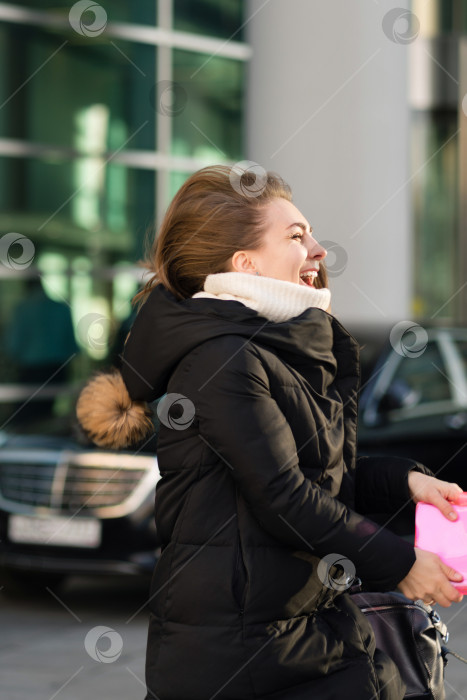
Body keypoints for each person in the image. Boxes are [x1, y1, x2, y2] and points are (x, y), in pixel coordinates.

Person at [76, 165, 464, 700]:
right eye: (297, 236)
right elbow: (283, 495)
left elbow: (324, 477)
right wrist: (400, 564)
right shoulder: (223, 359)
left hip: (293, 628)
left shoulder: (282, 349)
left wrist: (407, 484)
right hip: (242, 649)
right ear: (245, 263)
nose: (319, 251)